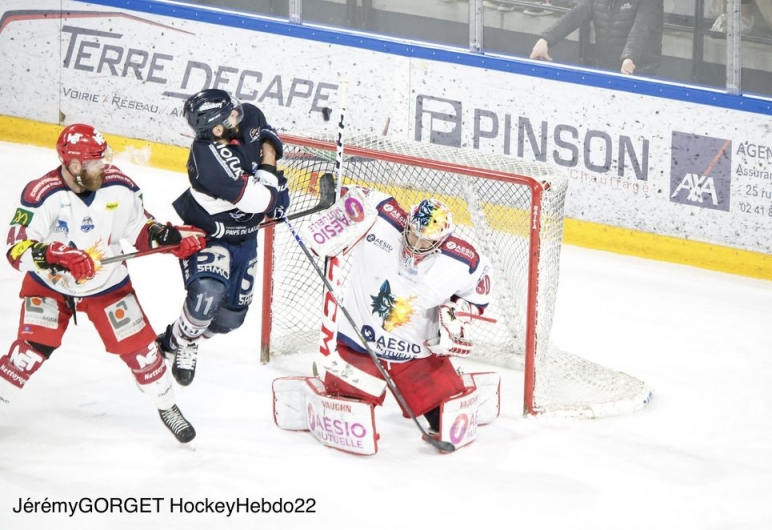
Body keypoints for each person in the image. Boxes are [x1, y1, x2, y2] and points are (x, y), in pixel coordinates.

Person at [1, 123, 206, 443]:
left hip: (106, 285)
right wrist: (54, 254)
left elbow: (141, 229)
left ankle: (167, 406)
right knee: (27, 355)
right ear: (73, 166)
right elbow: (16, 250)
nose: (104, 164)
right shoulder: (41, 194)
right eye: (95, 160)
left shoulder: (119, 186)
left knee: (144, 353)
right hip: (50, 286)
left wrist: (167, 240)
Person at [272, 188, 501, 453]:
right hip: (360, 343)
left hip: (416, 354)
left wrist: (455, 315)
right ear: (406, 224)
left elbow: (479, 299)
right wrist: (334, 222)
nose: (416, 243)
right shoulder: (381, 213)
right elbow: (348, 195)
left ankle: (452, 382)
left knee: (444, 415)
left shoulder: (464, 260)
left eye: (426, 241)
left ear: (442, 242)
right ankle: (330, 374)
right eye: (413, 233)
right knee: (348, 407)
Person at [158, 89, 290, 386]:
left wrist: (272, 166)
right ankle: (181, 342)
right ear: (216, 129)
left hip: (245, 236)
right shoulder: (209, 162)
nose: (238, 115)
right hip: (211, 233)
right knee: (207, 293)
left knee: (230, 319)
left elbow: (266, 134)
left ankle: (183, 336)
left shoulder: (247, 115)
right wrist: (271, 177)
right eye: (231, 114)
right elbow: (261, 201)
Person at [529, 0, 664, 75]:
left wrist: (629, 57)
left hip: (638, 72)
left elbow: (642, 27)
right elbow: (574, 16)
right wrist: (545, 39)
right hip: (607, 69)